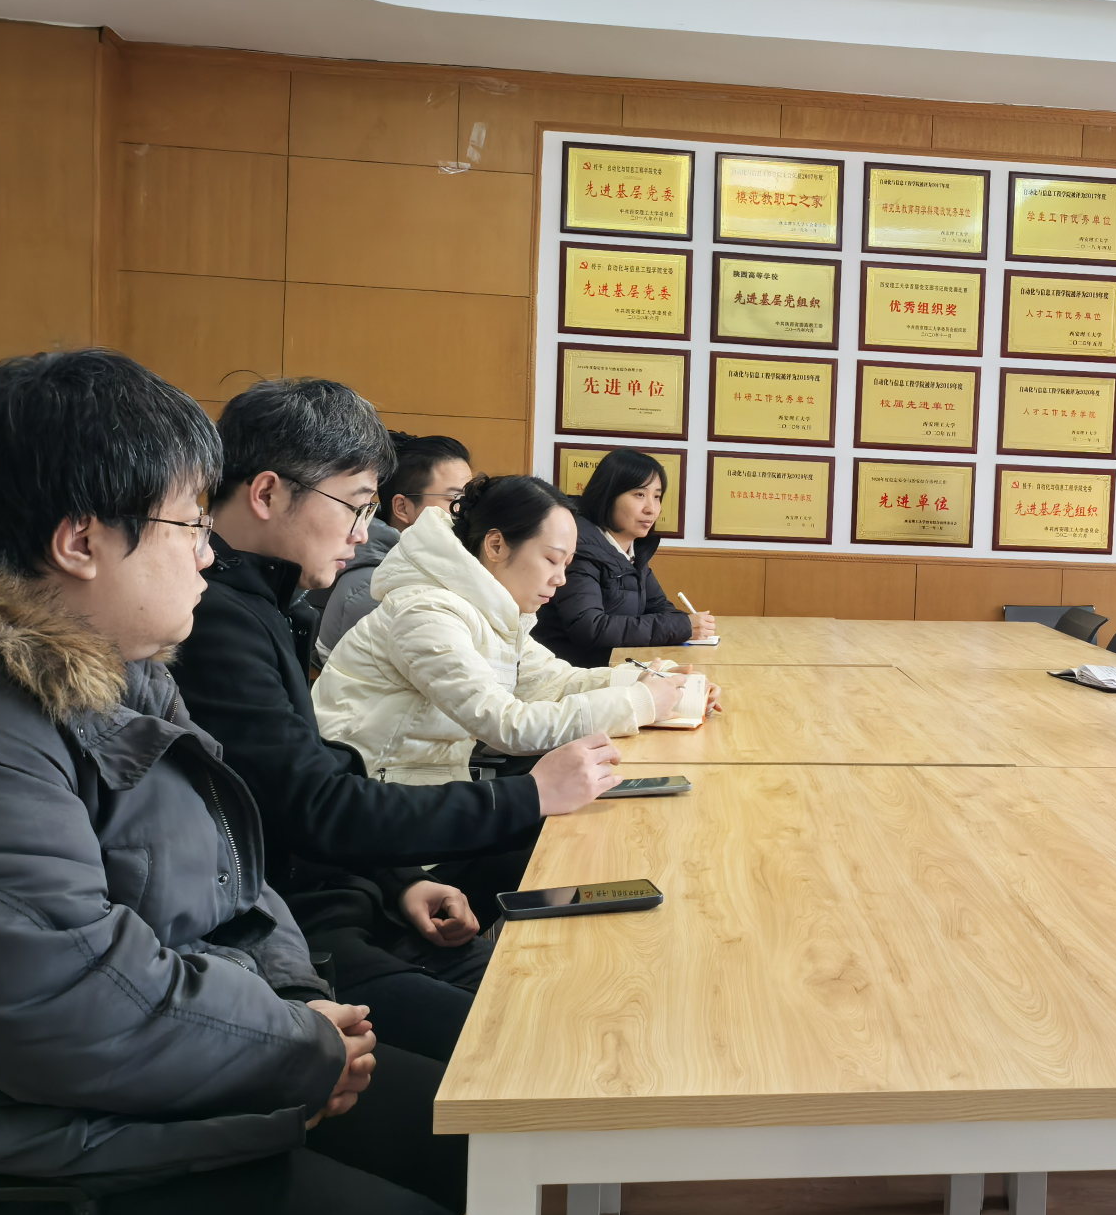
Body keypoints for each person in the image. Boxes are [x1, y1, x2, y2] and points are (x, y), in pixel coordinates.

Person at [0, 350, 459, 1215]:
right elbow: (65, 1006)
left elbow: (235, 881)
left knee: (454, 1130)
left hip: (121, 1094)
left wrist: (294, 1004)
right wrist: (298, 1047)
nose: (206, 553)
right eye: (190, 523)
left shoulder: (123, 665)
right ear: (80, 541)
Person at [173, 378, 622, 1064]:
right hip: (299, 933)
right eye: (356, 507)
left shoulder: (266, 605)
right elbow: (315, 809)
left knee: (567, 1002)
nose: (364, 533)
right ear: (265, 493)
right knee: (536, 1046)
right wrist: (530, 794)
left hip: (352, 888)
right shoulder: (215, 622)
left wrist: (400, 880)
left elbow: (299, 791)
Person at [314, 473, 689, 786]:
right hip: (375, 799)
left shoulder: (493, 609)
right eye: (552, 560)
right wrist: (638, 702)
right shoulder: (426, 612)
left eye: (567, 565)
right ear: (495, 545)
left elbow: (554, 682)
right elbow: (506, 725)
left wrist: (657, 682)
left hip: (427, 790)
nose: (560, 579)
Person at [535, 447, 715, 666]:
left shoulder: (631, 551)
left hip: (615, 668)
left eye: (657, 497)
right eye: (640, 495)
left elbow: (659, 606)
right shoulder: (579, 550)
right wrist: (680, 626)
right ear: (608, 495)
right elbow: (590, 627)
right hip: (574, 673)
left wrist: (685, 624)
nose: (651, 509)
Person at [309, 432, 472, 669]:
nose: (466, 513)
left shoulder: (427, 569)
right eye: (455, 500)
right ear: (402, 507)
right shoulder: (373, 588)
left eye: (469, 501)